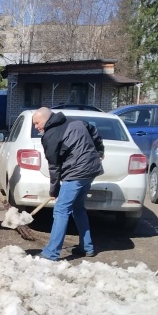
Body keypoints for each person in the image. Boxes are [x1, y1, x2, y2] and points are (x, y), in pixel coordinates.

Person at [33, 107, 104, 261]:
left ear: (46, 119)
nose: (36, 126)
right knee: (77, 208)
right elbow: (94, 131)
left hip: (76, 172)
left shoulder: (50, 135)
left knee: (60, 210)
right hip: (91, 169)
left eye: (37, 123)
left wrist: (54, 190)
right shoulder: (77, 122)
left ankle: (51, 253)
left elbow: (54, 166)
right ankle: (87, 247)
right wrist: (99, 151)